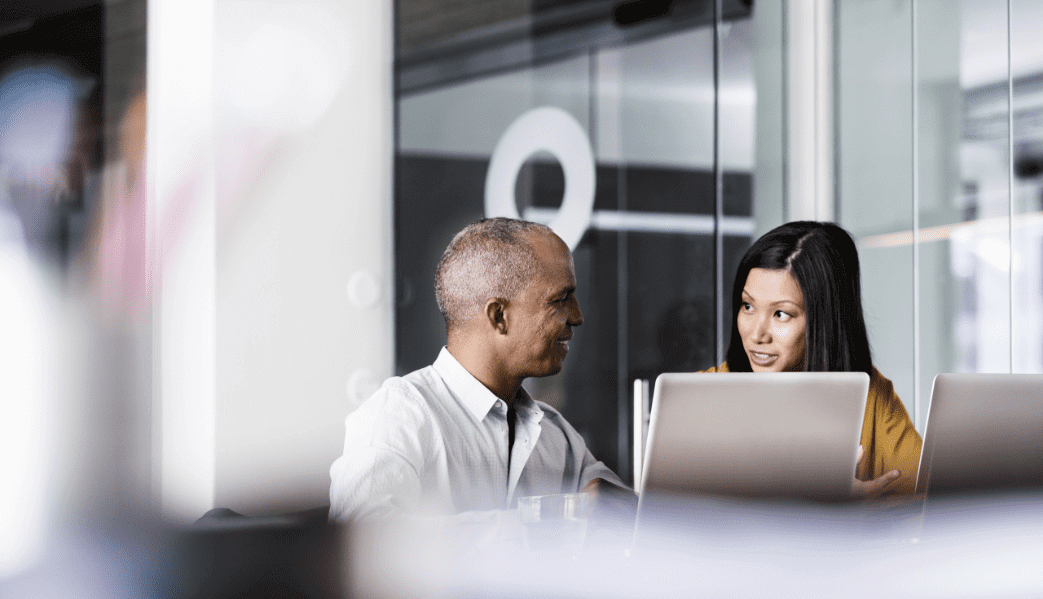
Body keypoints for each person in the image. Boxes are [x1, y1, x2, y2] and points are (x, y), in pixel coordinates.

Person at [329, 217, 626, 522]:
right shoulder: (398, 416)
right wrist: (544, 522)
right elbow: (366, 548)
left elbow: (632, 519)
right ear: (499, 316)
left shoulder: (557, 437)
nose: (576, 317)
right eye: (560, 299)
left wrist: (616, 511)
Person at [705, 221, 922, 497]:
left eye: (781, 313)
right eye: (748, 306)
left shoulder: (873, 399)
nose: (757, 334)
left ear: (824, 322)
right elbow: (673, 517)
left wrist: (864, 515)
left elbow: (924, 505)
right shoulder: (707, 395)